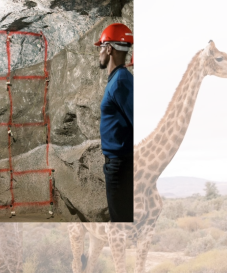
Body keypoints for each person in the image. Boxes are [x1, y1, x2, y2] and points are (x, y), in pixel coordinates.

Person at [95, 23, 133, 222]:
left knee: (120, 220)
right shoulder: (117, 79)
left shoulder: (120, 81)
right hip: (116, 164)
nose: (99, 52)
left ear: (109, 49)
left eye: (101, 47)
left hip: (120, 166)